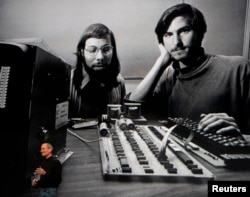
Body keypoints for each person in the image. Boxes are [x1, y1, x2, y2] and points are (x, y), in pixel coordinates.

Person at [127, 3, 250, 135]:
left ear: (200, 33)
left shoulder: (238, 68)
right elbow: (132, 107)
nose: (176, 42)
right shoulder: (170, 75)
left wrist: (240, 135)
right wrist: (162, 61)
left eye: (184, 30)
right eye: (168, 34)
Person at [70, 23, 126, 118]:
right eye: (92, 50)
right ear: (82, 52)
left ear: (113, 51)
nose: (100, 57)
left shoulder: (119, 82)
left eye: (106, 49)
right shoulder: (67, 83)